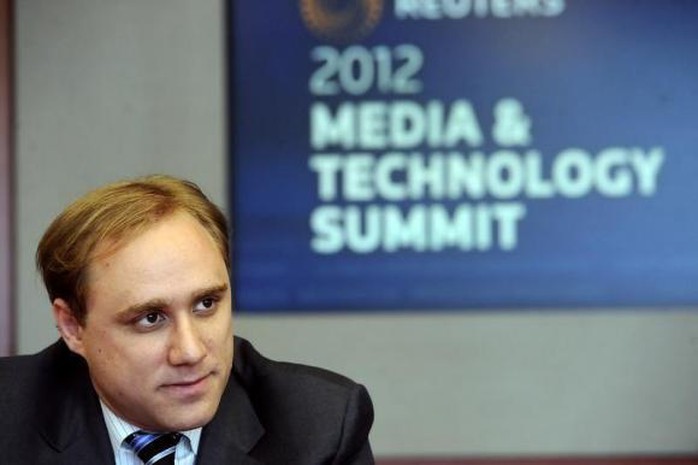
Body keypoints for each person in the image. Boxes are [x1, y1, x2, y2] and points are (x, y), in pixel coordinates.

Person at [0, 175, 374, 464]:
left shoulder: (318, 426)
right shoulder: (9, 420)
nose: (191, 351)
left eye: (206, 304)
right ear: (72, 327)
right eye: (150, 318)